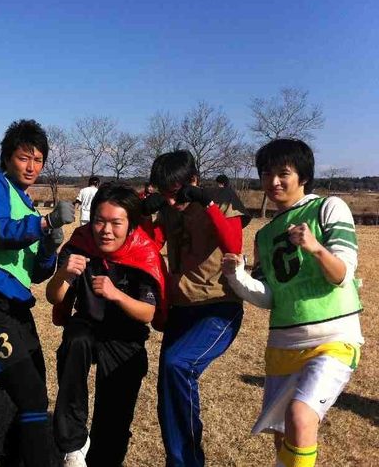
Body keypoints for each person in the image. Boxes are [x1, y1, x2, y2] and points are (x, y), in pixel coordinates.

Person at [221, 139, 363, 467]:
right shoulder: (265, 235)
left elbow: (342, 275)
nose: (273, 181)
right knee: (283, 435)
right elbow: (270, 296)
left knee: (300, 416)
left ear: (304, 176)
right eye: (266, 174)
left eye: (283, 173)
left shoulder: (328, 208)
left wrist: (315, 247)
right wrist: (236, 276)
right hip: (282, 344)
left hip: (333, 340)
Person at [0, 119, 74, 466]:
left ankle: (11, 458)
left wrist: (50, 246)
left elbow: (37, 273)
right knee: (30, 395)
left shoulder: (28, 206)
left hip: (17, 305)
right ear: (7, 158)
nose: (32, 167)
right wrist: (44, 223)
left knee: (34, 391)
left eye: (38, 160)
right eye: (24, 158)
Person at [47, 182, 167, 467]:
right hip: (87, 324)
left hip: (126, 336)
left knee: (114, 422)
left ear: (131, 225)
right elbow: (54, 296)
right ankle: (73, 444)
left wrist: (116, 294)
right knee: (76, 340)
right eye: (100, 221)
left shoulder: (143, 253)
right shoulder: (80, 244)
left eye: (116, 223)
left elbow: (148, 313)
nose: (106, 230)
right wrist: (63, 274)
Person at [143, 150, 249, 467]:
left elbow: (233, 246)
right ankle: (177, 461)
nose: (171, 200)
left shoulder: (222, 199)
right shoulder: (168, 209)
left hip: (218, 306)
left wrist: (207, 202)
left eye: (175, 192)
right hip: (181, 307)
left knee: (178, 364)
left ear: (193, 180)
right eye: (164, 193)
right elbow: (150, 245)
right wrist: (144, 213)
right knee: (168, 388)